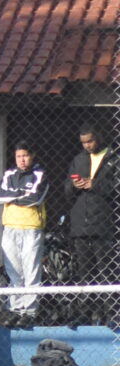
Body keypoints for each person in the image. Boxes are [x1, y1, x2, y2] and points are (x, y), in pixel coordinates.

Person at [0, 142, 50, 327]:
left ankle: (30, 311)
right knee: (14, 271)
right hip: (10, 227)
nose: (22, 160)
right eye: (18, 156)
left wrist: (13, 195)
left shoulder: (40, 174)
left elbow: (36, 198)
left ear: (32, 155)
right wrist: (21, 193)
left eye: (25, 155)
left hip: (31, 227)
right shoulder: (9, 174)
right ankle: (16, 309)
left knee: (31, 271)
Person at [65, 124, 116, 325]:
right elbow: (66, 190)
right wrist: (74, 185)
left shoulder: (114, 158)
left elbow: (116, 187)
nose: (87, 145)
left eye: (90, 141)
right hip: (81, 224)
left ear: (99, 137)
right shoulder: (78, 160)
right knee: (84, 273)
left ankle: (112, 313)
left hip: (104, 224)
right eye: (83, 142)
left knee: (106, 271)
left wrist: (95, 185)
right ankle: (85, 313)